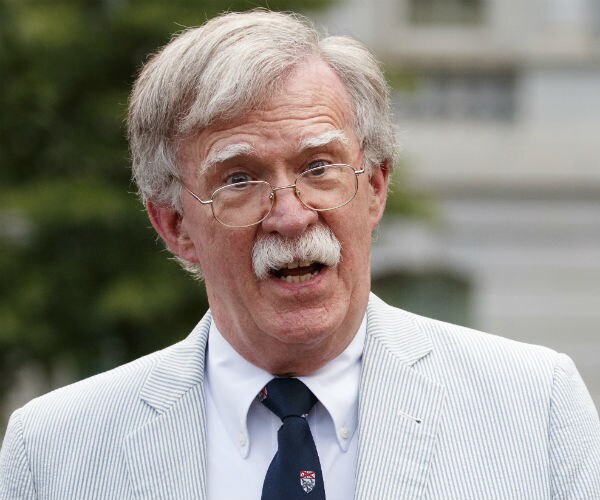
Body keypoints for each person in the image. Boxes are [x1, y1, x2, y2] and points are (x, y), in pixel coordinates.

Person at [1, 9, 599, 500]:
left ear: (375, 187)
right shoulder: (54, 453)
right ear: (175, 225)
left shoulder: (534, 408)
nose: (290, 215)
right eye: (239, 179)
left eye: (318, 167)